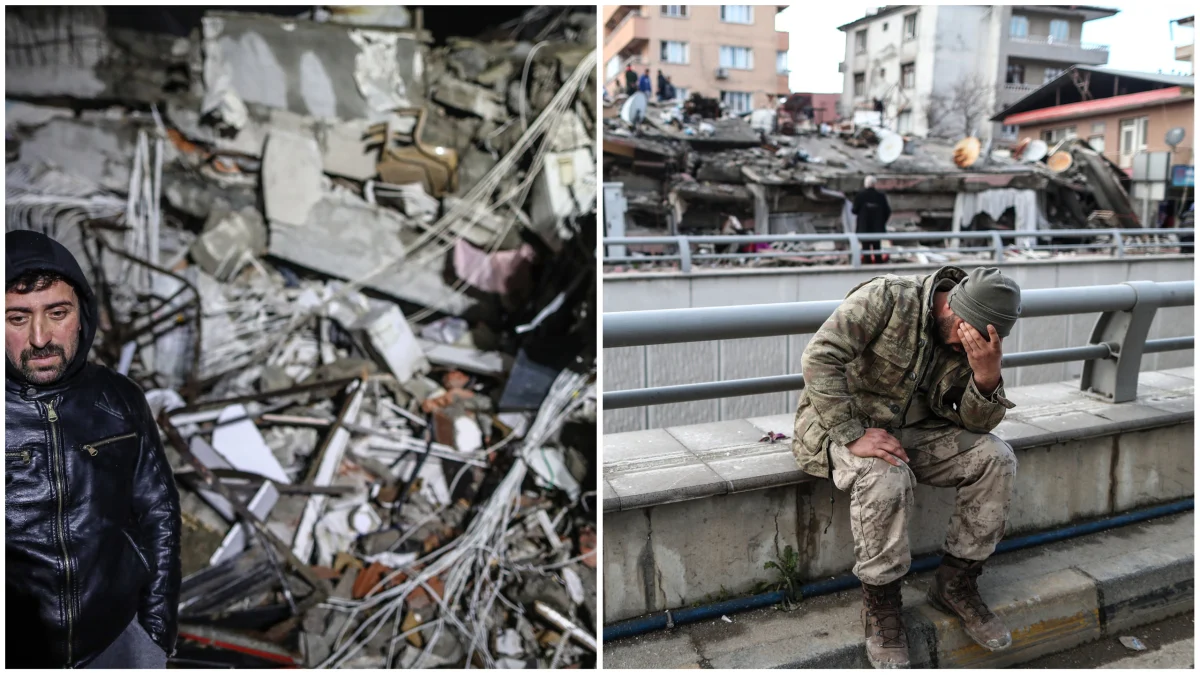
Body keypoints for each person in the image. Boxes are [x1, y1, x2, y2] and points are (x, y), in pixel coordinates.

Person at [791, 266, 1022, 669]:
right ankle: (882, 606)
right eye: (970, 333)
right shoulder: (889, 298)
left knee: (995, 458)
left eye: (990, 339)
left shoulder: (975, 342)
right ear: (953, 307)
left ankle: (956, 583)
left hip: (914, 431)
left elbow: (974, 424)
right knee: (886, 474)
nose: (972, 345)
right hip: (840, 426)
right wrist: (851, 432)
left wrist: (986, 378)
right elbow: (818, 357)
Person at [5, 230, 181, 668]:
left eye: (57, 312)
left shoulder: (119, 398)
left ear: (81, 314)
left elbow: (158, 513)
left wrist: (155, 633)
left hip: (117, 645)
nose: (41, 338)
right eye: (17, 318)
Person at [852, 176, 891, 264]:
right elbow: (887, 211)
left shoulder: (860, 195)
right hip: (877, 228)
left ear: (865, 184)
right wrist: (881, 222)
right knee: (877, 249)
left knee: (865, 250)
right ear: (874, 184)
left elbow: (854, 210)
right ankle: (879, 268)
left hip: (864, 228)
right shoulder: (881, 196)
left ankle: (867, 266)